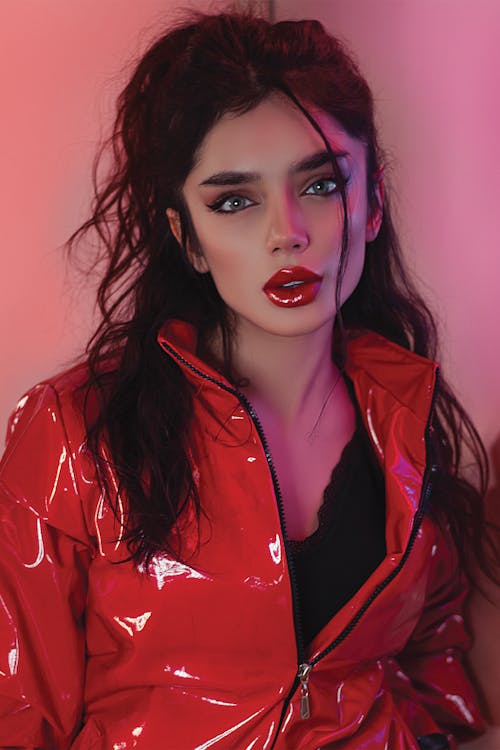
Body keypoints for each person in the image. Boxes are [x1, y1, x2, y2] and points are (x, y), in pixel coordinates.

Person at [0, 10, 496, 750]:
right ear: (188, 239)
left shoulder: (407, 421)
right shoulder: (74, 435)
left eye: (320, 185)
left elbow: (437, 676)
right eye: (234, 200)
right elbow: (17, 713)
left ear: (372, 202)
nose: (284, 232)